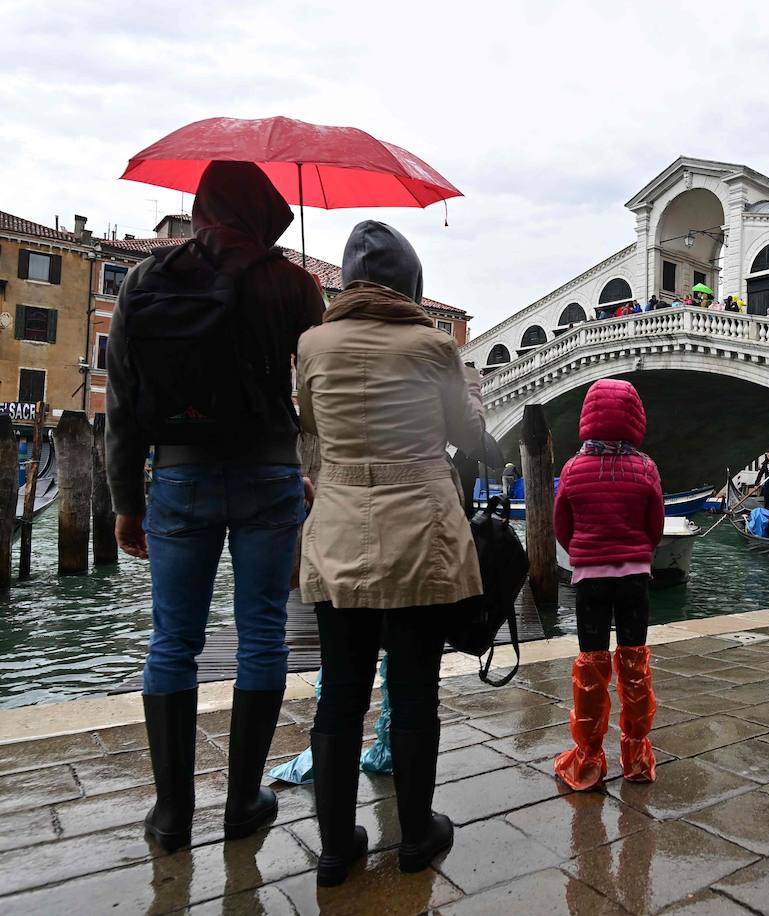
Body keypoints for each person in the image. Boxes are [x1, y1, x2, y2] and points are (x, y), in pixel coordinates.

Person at [106, 161, 323, 853]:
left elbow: (121, 402)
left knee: (173, 639)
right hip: (268, 473)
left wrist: (125, 502)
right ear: (263, 209)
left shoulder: (146, 278)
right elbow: (316, 392)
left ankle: (171, 815)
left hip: (179, 474)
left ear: (201, 207)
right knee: (262, 632)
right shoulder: (292, 282)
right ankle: (240, 804)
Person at [296, 221, 485, 885]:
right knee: (413, 692)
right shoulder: (435, 347)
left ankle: (334, 847)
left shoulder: (311, 344)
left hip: (340, 528)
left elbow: (311, 428)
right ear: (412, 283)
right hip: (421, 536)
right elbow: (469, 435)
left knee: (340, 696)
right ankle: (414, 837)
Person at [553, 379, 664, 791]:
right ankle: (635, 756)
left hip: (591, 582)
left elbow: (562, 528)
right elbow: (654, 526)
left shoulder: (572, 468)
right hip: (635, 578)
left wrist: (586, 552)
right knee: (635, 664)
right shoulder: (646, 468)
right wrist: (637, 551)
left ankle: (588, 759)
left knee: (592, 666)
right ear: (635, 417)